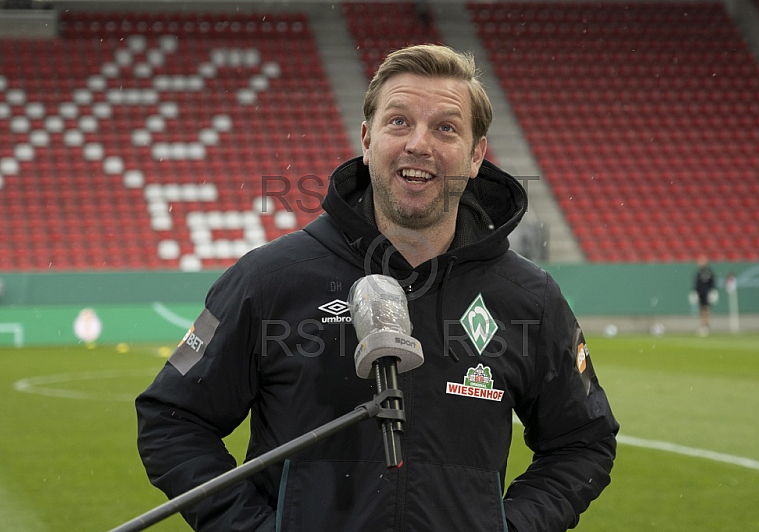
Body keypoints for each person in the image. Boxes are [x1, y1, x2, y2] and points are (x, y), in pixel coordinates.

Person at [136, 44, 618, 532]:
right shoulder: (270, 279)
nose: (419, 144)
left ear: (476, 156)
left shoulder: (528, 298)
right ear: (366, 140)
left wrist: (510, 527)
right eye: (399, 122)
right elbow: (173, 419)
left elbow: (582, 442)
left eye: (446, 128)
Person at [693, 255, 717, 336]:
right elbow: (696, 284)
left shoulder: (709, 272)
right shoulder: (698, 273)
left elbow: (712, 283)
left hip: (707, 293)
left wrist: (713, 291)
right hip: (700, 294)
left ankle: (707, 325)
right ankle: (702, 325)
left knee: (706, 309)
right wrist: (694, 292)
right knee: (701, 310)